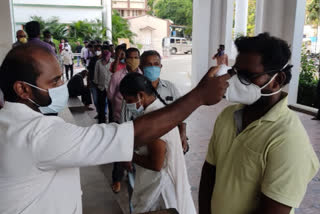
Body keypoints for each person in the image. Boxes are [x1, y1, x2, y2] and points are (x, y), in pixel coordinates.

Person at [0, 44, 229, 214]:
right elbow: (131, 135)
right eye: (55, 81)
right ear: (23, 89)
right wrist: (199, 96)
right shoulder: (37, 135)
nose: (63, 86)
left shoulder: (9, 123)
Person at [199, 33, 319, 214]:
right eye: (236, 73)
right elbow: (209, 173)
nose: (237, 81)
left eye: (249, 76)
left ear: (277, 81)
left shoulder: (288, 138)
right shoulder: (228, 116)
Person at [120, 73, 196, 214]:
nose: (128, 104)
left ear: (141, 95)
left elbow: (156, 164)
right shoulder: (159, 110)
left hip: (161, 191)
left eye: (129, 100)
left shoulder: (154, 121)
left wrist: (128, 155)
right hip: (162, 184)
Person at [107, 48, 142, 193]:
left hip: (138, 119)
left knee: (136, 148)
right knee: (120, 149)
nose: (133, 60)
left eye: (136, 57)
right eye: (130, 57)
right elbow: (110, 95)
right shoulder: (117, 76)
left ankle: (134, 173)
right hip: (119, 118)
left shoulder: (143, 75)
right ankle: (117, 179)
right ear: (125, 59)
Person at [94, 45, 113, 123]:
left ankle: (112, 120)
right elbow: (96, 74)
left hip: (110, 87)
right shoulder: (98, 62)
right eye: (103, 51)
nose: (105, 53)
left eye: (107, 51)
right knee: (101, 105)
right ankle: (101, 120)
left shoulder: (113, 62)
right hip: (101, 87)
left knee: (111, 106)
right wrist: (97, 84)